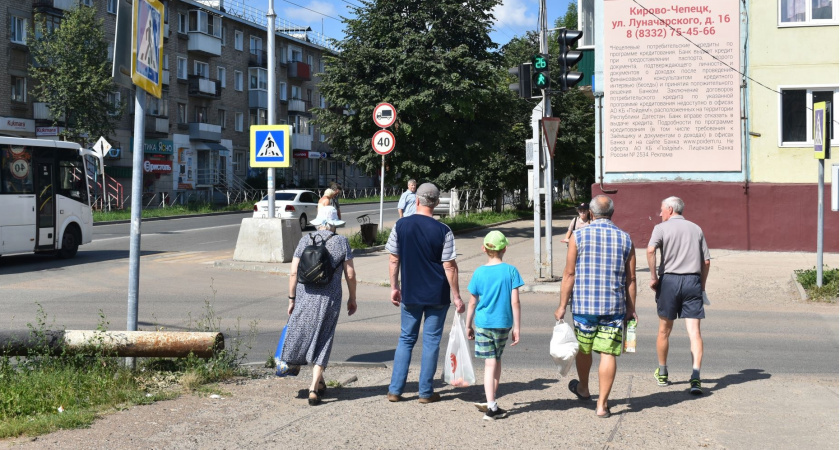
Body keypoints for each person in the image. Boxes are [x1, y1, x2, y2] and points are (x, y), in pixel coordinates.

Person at [555, 195, 637, 418]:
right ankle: (602, 405)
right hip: (614, 307)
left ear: (591, 213)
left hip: (584, 306)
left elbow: (569, 273)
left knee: (584, 348)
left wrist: (563, 305)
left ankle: (583, 388)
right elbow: (631, 279)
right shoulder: (625, 238)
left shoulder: (578, 236)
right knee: (608, 353)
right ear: (612, 213)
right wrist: (631, 309)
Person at [385, 182, 465, 403]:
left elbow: (393, 259)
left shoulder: (400, 226)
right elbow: (449, 266)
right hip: (437, 295)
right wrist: (457, 296)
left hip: (410, 293)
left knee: (406, 339)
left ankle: (395, 390)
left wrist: (394, 287)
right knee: (431, 342)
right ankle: (425, 392)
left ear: (417, 200)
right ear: (437, 203)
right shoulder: (444, 230)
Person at [282, 206, 357, 406]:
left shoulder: (305, 240)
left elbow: (293, 272)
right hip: (330, 299)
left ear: (318, 222)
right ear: (333, 224)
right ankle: (314, 387)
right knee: (324, 338)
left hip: (305, 296)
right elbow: (350, 274)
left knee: (305, 333)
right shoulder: (341, 242)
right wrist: (352, 298)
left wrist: (292, 299)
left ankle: (315, 379)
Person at [646, 196, 711, 396]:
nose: (660, 213)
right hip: (692, 281)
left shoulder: (661, 228)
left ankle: (663, 372)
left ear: (671, 209)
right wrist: (701, 285)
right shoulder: (696, 228)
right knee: (694, 332)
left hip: (670, 282)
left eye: (662, 209)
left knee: (664, 330)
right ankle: (696, 377)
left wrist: (653, 276)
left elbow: (650, 250)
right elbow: (706, 261)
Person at [465, 230, 523, 420]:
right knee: (496, 361)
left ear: (483, 248)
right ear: (505, 248)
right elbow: (515, 302)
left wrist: (468, 325)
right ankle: (492, 405)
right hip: (503, 323)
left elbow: (472, 302)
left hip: (483, 323)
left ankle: (491, 403)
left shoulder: (479, 272)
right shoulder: (511, 271)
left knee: (491, 362)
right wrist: (517, 327)